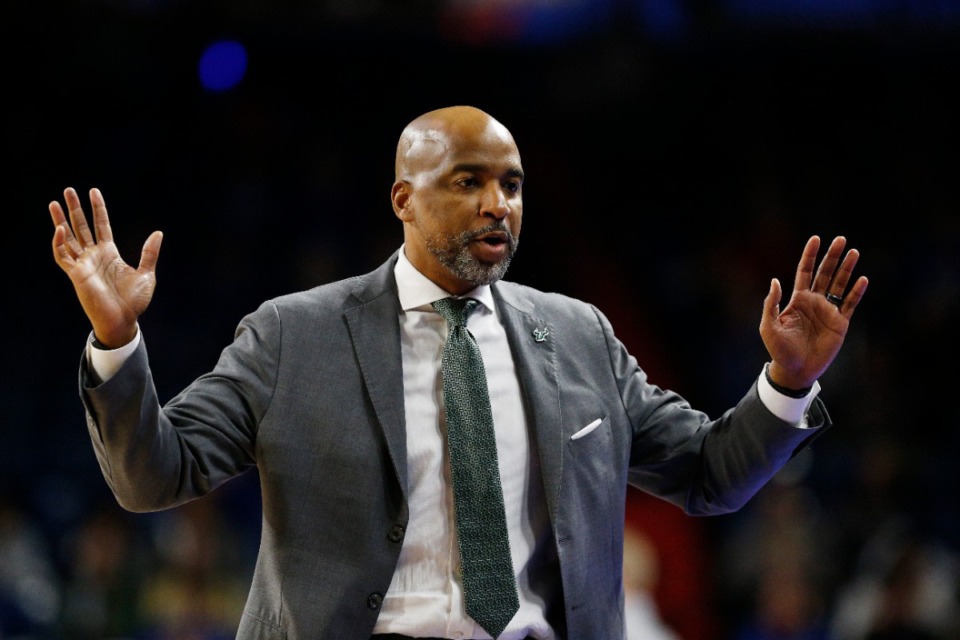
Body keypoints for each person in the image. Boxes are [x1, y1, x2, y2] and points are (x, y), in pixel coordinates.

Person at [48, 104, 868, 640]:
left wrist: (786, 384)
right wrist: (117, 342)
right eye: (467, 182)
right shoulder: (291, 336)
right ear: (404, 198)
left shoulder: (580, 337)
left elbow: (709, 475)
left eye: (510, 186)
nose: (497, 206)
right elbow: (154, 479)